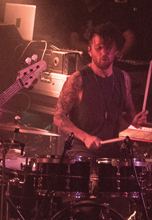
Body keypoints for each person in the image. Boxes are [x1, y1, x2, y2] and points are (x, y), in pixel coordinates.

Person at [53, 22, 143, 159]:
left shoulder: (123, 78)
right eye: (99, 48)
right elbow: (59, 117)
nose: (104, 53)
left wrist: (136, 120)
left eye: (108, 48)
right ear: (90, 51)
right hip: (82, 151)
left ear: (116, 50)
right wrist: (85, 137)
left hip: (112, 151)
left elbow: (129, 112)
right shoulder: (77, 79)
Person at [68, 0, 136, 59]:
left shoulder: (111, 10)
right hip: (88, 63)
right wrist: (94, 50)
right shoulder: (79, 13)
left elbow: (130, 37)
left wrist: (122, 53)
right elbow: (73, 42)